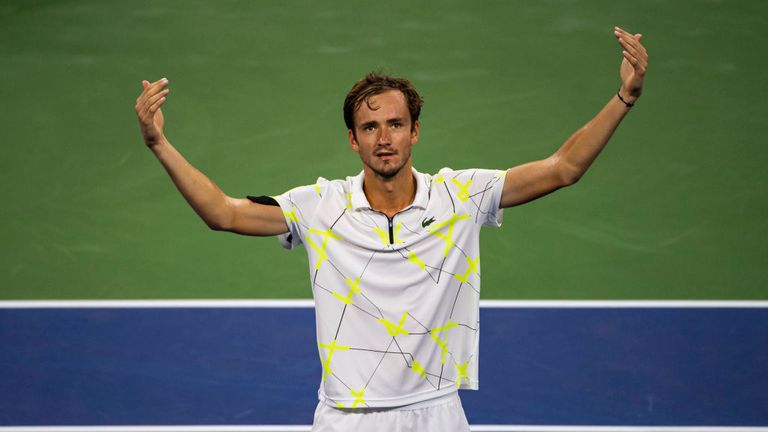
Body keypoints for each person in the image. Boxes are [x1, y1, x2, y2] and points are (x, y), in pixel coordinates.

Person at [135, 26, 648, 432]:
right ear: (353, 141)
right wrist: (160, 144)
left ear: (415, 132)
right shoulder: (319, 206)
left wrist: (624, 97)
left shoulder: (459, 196)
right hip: (345, 419)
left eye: (396, 125)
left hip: (436, 412)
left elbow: (563, 168)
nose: (384, 138)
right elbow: (223, 212)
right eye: (370, 127)